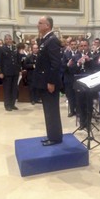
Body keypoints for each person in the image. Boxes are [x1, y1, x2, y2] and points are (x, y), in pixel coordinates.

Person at [33, 16, 63, 146]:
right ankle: (52, 135)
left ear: (48, 26)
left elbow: (55, 64)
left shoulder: (52, 40)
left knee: (52, 111)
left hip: (49, 82)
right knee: (48, 110)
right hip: (44, 81)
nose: (37, 25)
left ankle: (55, 138)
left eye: (40, 23)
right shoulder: (45, 40)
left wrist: (51, 82)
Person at [0, 34, 21, 111]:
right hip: (6, 73)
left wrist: (19, 70)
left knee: (14, 89)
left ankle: (12, 104)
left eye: (10, 39)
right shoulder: (1, 49)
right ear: (4, 40)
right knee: (7, 90)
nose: (9, 40)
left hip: (15, 72)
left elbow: (17, 60)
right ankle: (7, 105)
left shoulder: (14, 48)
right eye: (7, 39)